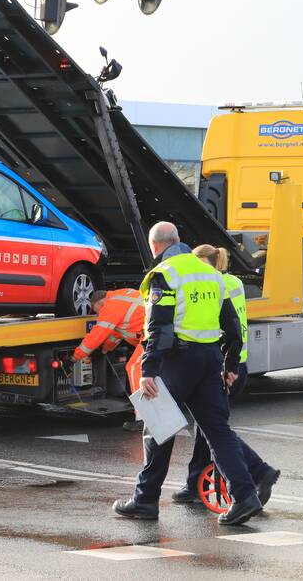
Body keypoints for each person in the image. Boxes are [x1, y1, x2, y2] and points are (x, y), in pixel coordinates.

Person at [113, 222, 264, 525]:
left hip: (177, 360)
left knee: (158, 427)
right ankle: (245, 496)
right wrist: (231, 365)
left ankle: (145, 500)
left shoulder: (165, 274)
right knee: (217, 432)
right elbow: (233, 329)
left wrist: (148, 370)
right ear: (179, 241)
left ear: (155, 246)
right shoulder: (212, 274)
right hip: (210, 360)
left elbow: (160, 327)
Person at [173, 244, 279, 506]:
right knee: (208, 429)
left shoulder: (214, 285)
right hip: (237, 363)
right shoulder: (232, 282)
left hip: (222, 367)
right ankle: (195, 483)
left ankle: (257, 471)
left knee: (214, 430)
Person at [73, 289, 146, 432]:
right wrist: (104, 350)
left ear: (100, 303)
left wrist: (75, 356)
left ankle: (142, 418)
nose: (98, 315)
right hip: (163, 330)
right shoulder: (123, 296)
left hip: (151, 335)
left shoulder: (111, 306)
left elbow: (97, 334)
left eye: (97, 311)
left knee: (133, 368)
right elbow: (115, 335)